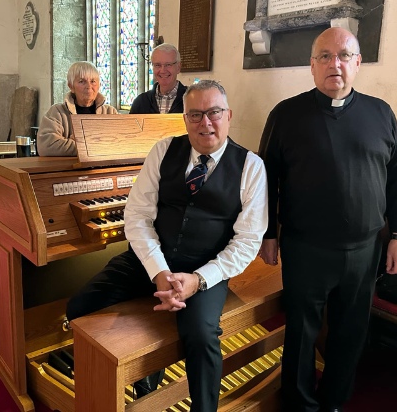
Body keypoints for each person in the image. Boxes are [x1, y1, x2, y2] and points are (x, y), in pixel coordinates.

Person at [66, 80, 268, 411]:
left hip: (203, 271)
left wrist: (198, 279)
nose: (206, 123)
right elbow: (137, 215)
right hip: (147, 261)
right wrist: (159, 270)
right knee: (80, 307)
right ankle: (115, 381)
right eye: (195, 114)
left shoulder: (251, 167)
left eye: (214, 112)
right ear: (184, 118)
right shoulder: (163, 150)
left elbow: (246, 242)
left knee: (201, 338)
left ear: (228, 115)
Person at [258, 27, 397, 412]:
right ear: (311, 66)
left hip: (364, 250)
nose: (334, 64)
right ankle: (300, 403)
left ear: (358, 63)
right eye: (324, 56)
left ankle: (335, 402)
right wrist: (268, 235)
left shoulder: (381, 114)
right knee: (301, 332)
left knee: (350, 332)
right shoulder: (286, 114)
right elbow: (267, 179)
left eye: (343, 55)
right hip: (305, 246)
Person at [37, 61, 117, 156]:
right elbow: (46, 147)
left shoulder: (110, 112)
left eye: (93, 81)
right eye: (81, 81)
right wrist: (98, 145)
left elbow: (124, 143)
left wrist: (76, 142)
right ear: (71, 86)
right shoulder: (57, 112)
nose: (88, 86)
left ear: (99, 85)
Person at [129, 43, 186, 114]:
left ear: (178, 67)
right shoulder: (141, 101)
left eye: (168, 65)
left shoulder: (192, 99)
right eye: (157, 65)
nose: (162, 71)